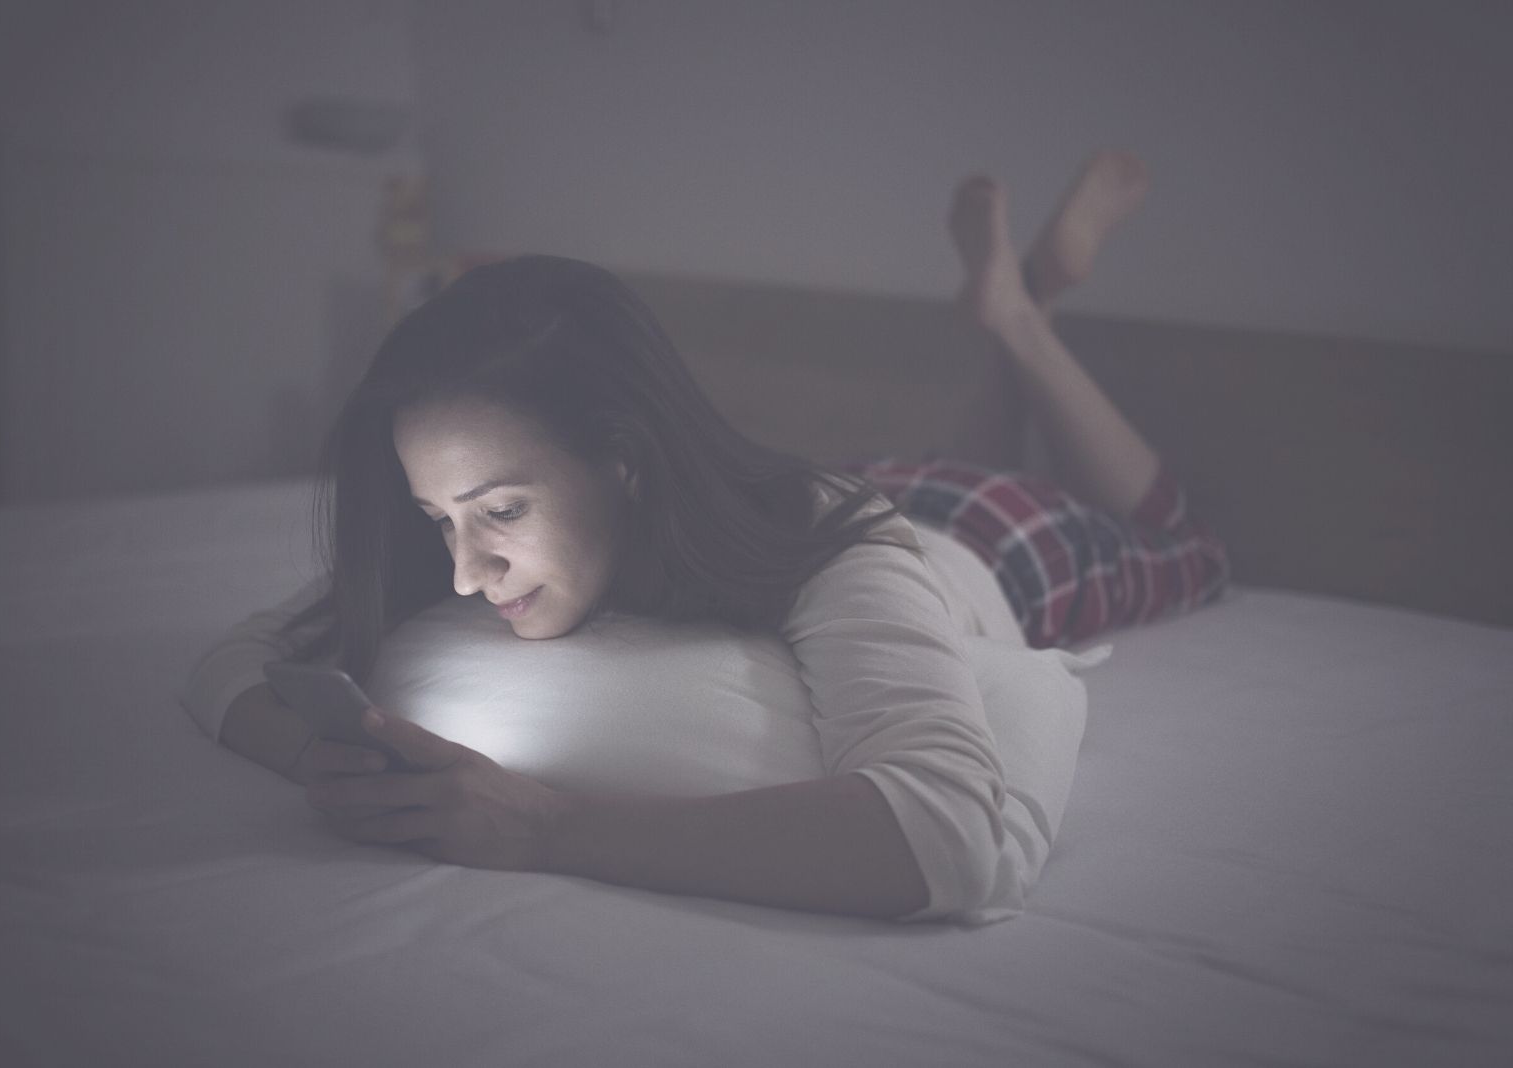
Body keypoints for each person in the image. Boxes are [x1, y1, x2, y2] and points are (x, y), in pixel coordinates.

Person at [182, 150, 1228, 923]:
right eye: (437, 518)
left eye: (501, 512)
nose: (463, 572)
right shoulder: (521, 519)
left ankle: (1023, 318)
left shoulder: (845, 550)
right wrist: (327, 761)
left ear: (624, 459)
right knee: (973, 446)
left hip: (989, 543)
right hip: (878, 480)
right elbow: (234, 662)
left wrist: (545, 826)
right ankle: (1014, 305)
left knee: (1180, 543)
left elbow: (949, 835)